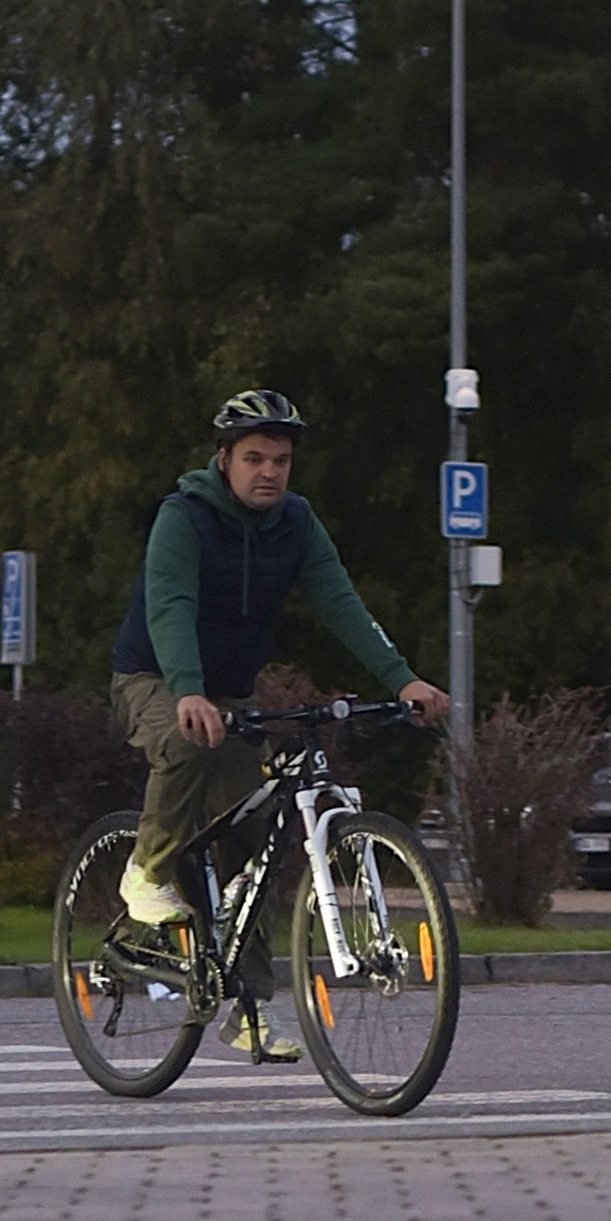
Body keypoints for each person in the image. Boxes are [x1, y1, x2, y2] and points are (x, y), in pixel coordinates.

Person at [108, 389, 450, 1060]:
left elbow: (341, 601)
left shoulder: (296, 522)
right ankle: (145, 873)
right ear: (224, 460)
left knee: (251, 841)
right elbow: (169, 605)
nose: (269, 471)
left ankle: (248, 1010)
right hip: (155, 678)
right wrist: (186, 689)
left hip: (230, 692)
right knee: (186, 741)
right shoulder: (185, 517)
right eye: (255, 458)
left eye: (282, 460)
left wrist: (402, 678)